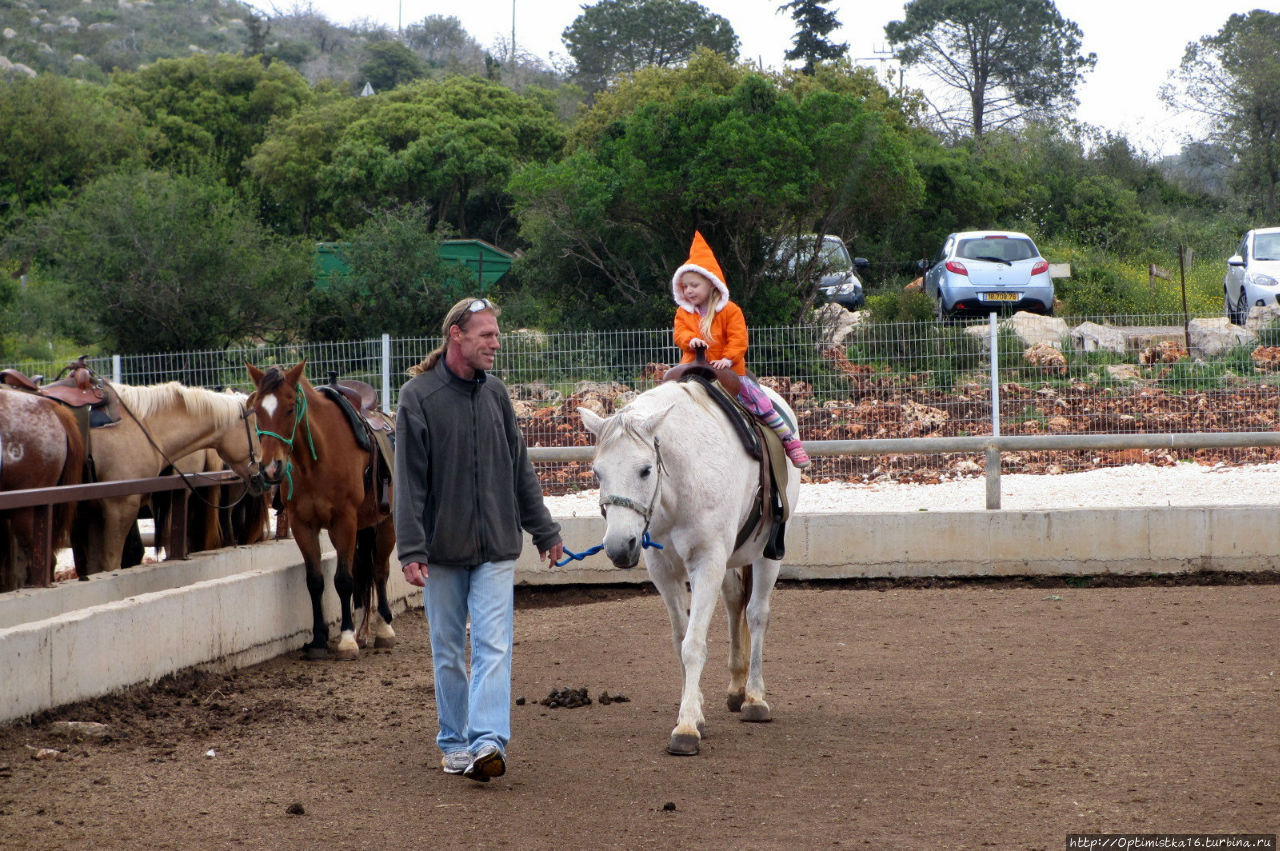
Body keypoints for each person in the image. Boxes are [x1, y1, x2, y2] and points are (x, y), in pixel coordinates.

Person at [394, 296, 564, 783]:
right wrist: (411, 547)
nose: (495, 343)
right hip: (441, 552)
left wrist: (545, 530)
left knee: (493, 645)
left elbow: (519, 469)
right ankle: (453, 742)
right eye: (486, 335)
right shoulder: (417, 397)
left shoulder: (497, 395)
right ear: (457, 336)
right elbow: (409, 481)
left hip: (495, 549)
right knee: (448, 651)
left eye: (496, 334)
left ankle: (487, 741)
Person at [671, 231, 811, 468]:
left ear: (711, 283)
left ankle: (789, 440)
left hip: (728, 370)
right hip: (694, 369)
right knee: (669, 400)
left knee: (758, 402)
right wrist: (691, 340)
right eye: (684, 287)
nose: (689, 291)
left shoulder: (730, 311)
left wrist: (727, 359)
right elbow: (680, 334)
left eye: (694, 285)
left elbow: (738, 339)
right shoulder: (683, 313)